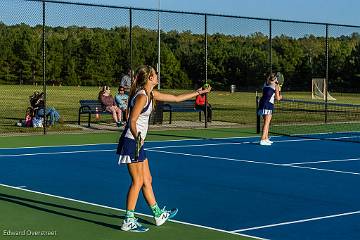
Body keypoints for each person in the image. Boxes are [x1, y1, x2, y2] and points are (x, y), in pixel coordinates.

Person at [117, 65, 211, 232]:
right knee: (138, 181)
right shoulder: (141, 97)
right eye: (155, 74)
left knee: (147, 180)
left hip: (138, 142)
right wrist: (138, 138)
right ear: (150, 78)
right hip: (132, 141)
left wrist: (199, 93)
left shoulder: (150, 94)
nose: (158, 76)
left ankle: (158, 214)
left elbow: (175, 98)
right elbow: (131, 121)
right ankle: (128, 220)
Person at [257, 73, 282, 146]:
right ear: (276, 79)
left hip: (262, 104)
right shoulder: (276, 86)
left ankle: (266, 138)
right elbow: (277, 98)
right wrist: (281, 96)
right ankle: (262, 139)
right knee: (267, 123)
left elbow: (269, 93)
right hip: (268, 105)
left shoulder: (265, 84)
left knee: (266, 122)